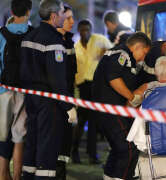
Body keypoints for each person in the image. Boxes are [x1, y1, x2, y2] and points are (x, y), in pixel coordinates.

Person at [20, 0, 77, 179]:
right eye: (62, 13)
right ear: (54, 17)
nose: (63, 17)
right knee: (47, 147)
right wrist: (68, 106)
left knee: (32, 142)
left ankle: (27, 176)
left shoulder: (29, 36)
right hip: (49, 103)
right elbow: (57, 79)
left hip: (30, 98)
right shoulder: (54, 41)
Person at [92, 32, 151, 180]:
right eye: (144, 53)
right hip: (111, 110)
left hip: (109, 111)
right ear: (137, 47)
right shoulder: (121, 54)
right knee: (128, 150)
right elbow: (113, 78)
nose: (143, 58)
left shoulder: (125, 56)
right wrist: (132, 98)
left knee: (118, 150)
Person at [72, 19, 113, 164]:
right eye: (82, 30)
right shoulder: (76, 47)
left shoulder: (100, 40)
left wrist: (106, 54)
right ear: (79, 31)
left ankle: (92, 154)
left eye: (87, 29)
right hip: (82, 86)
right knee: (81, 121)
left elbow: (113, 51)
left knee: (94, 122)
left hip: (96, 86)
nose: (85, 32)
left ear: (91, 29)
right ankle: (74, 151)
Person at [0, 1, 32, 179]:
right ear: (29, 10)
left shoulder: (1, 34)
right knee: (19, 136)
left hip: (3, 90)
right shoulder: (32, 32)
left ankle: (3, 174)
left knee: (2, 135)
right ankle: (17, 175)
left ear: (11, 11)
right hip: (25, 91)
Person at [56, 3, 76, 179]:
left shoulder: (69, 41)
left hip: (67, 99)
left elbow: (70, 76)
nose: (72, 21)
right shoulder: (51, 41)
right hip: (53, 104)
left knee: (64, 147)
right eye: (68, 17)